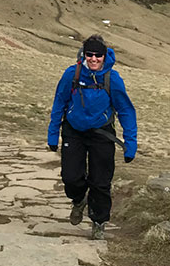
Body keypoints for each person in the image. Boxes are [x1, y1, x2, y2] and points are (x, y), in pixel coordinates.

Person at [46, 34, 137, 240]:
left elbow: (126, 111)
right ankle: (78, 200)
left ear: (104, 56)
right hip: (74, 131)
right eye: (90, 54)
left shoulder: (112, 79)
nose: (94, 59)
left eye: (98, 55)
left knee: (100, 182)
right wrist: (53, 134)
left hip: (101, 134)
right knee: (70, 177)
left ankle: (98, 222)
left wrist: (130, 144)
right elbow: (59, 103)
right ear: (83, 54)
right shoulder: (72, 74)